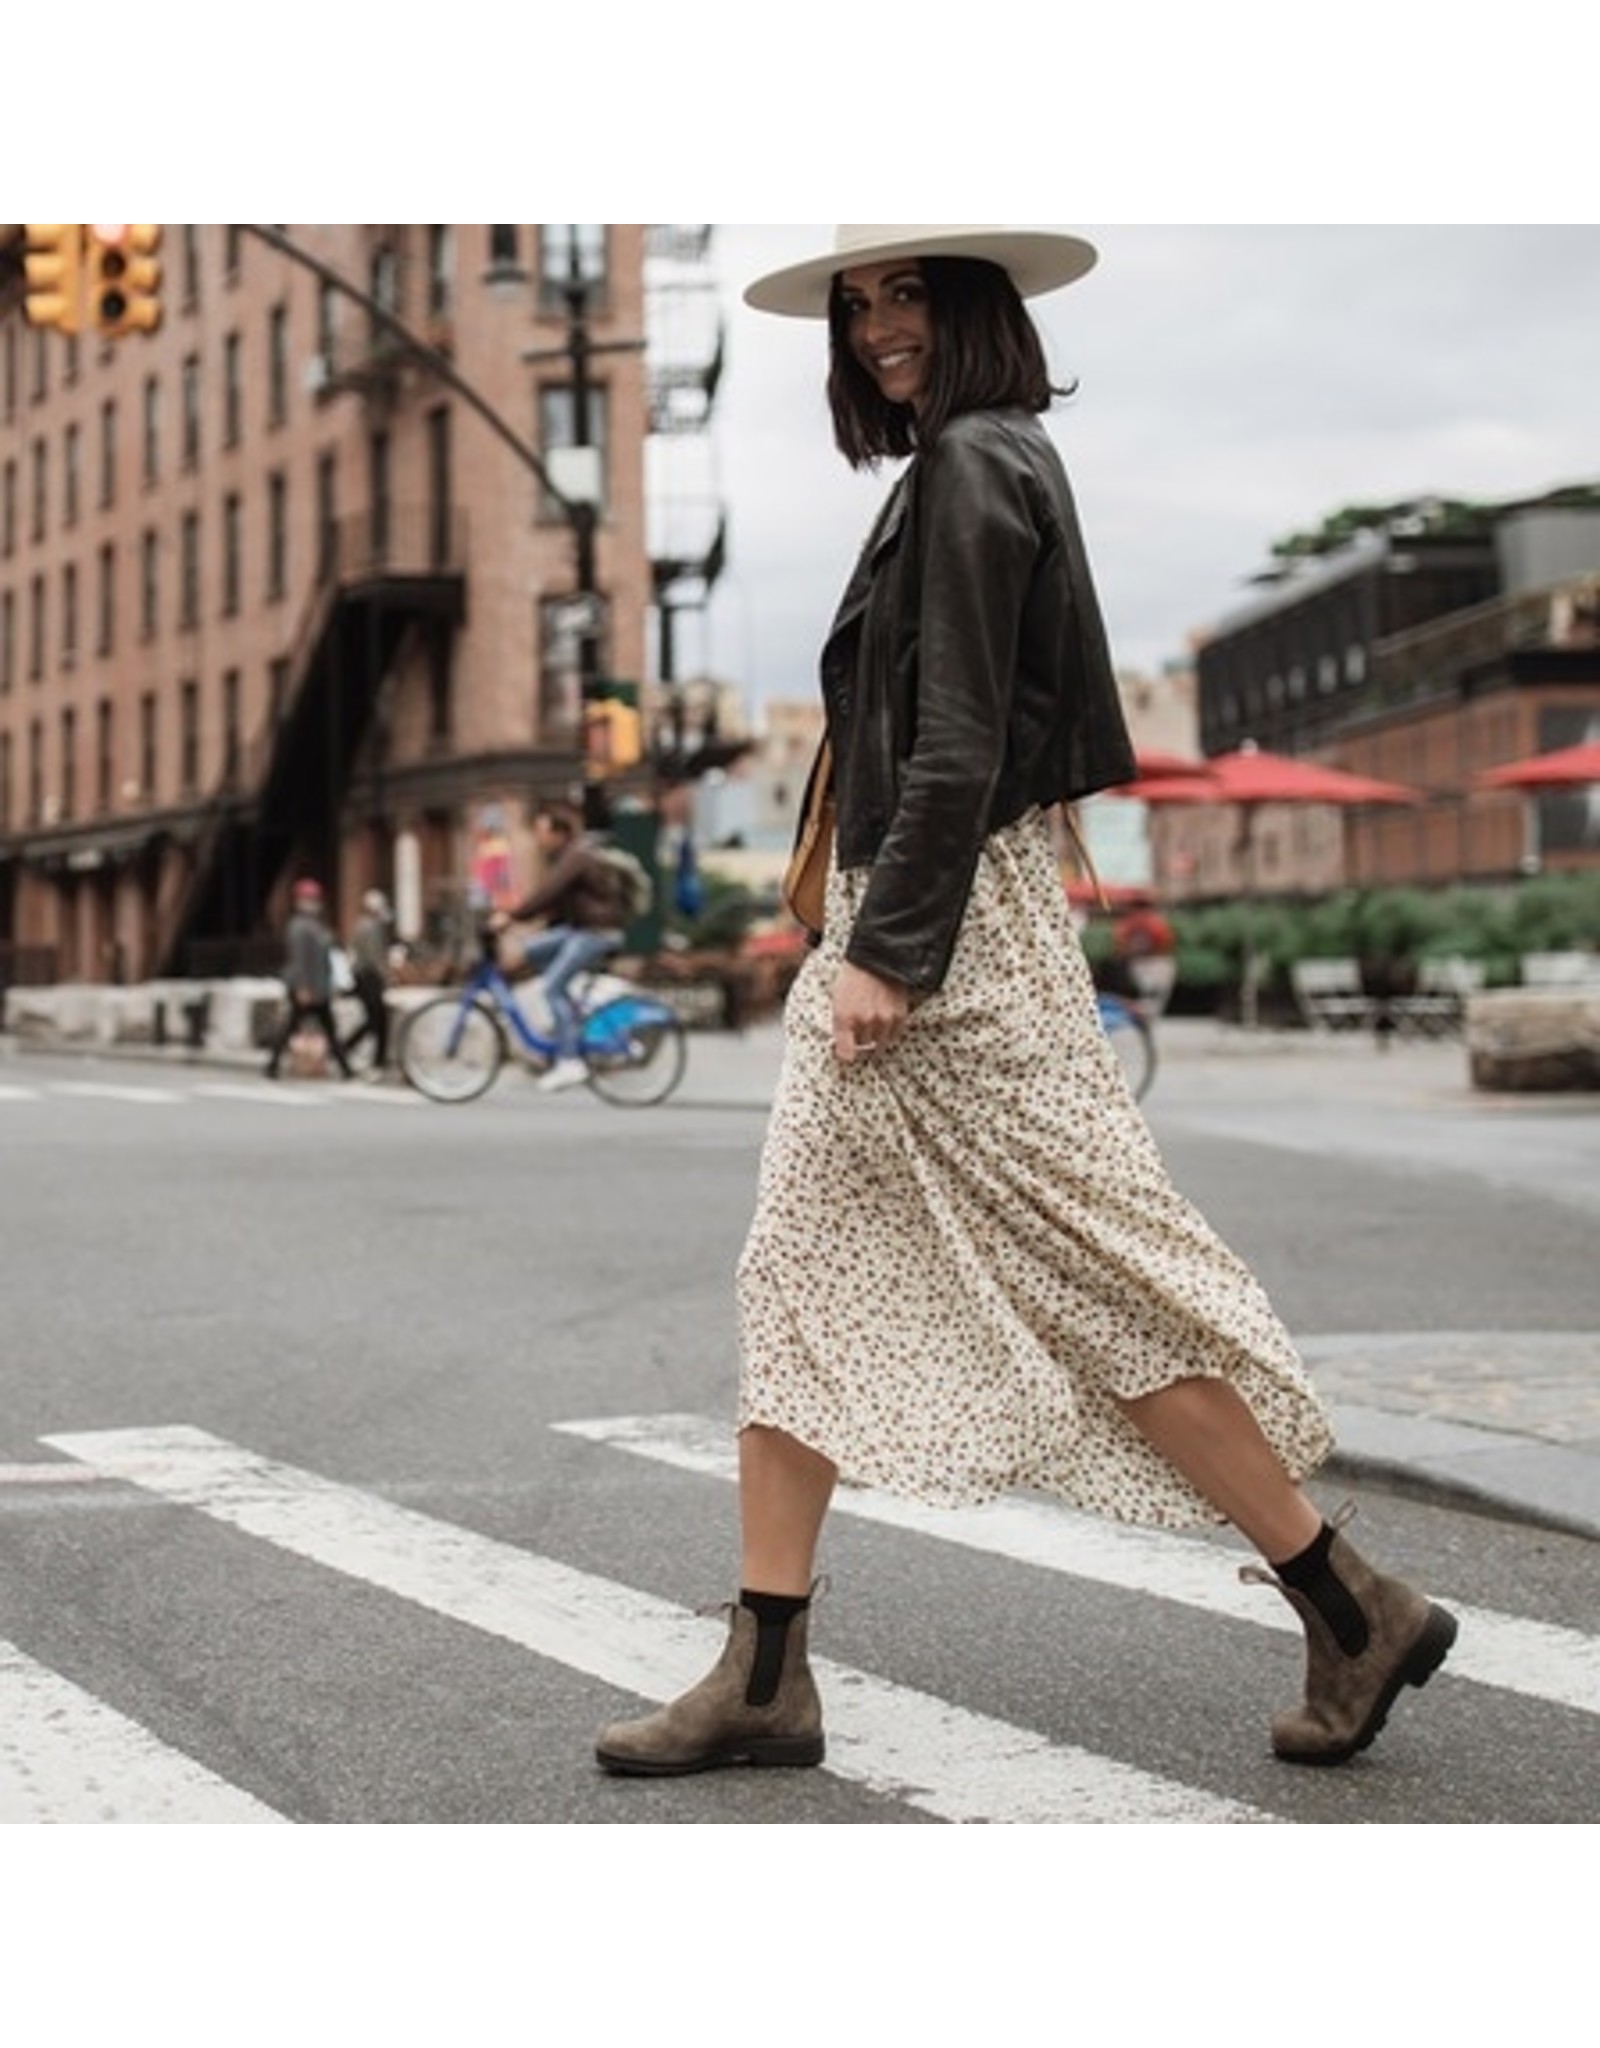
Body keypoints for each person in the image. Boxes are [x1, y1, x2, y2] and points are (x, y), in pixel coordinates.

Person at [595, 225, 1457, 1779]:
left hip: (942, 935)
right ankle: (767, 1667)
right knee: (796, 1273)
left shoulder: (981, 465)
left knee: (1093, 1278)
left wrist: (890, 952)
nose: (874, 330)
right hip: (913, 919)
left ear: (976, 303)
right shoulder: (961, 467)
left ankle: (1349, 1599)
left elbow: (961, 740)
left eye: (904, 293)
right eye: (855, 306)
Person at [489, 800, 627, 1093]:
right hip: (579, 929)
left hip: (597, 932)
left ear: (559, 834)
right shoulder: (569, 855)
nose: (539, 839)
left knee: (552, 987)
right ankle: (563, 1014)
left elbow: (548, 894)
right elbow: (558, 905)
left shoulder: (575, 856)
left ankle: (569, 1061)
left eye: (542, 832)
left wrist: (512, 917)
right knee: (530, 950)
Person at [263, 877, 354, 1081]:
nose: (313, 903)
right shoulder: (299, 926)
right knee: (293, 1026)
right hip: (306, 987)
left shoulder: (315, 925)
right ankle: (272, 1064)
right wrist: (303, 987)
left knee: (325, 1028)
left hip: (319, 987)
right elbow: (300, 959)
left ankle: (346, 1068)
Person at [341, 888, 395, 1076]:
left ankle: (352, 1050)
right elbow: (375, 957)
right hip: (369, 977)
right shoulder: (371, 927)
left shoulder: (361, 924)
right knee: (376, 1019)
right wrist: (387, 976)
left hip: (362, 976)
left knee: (376, 1020)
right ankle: (348, 1049)